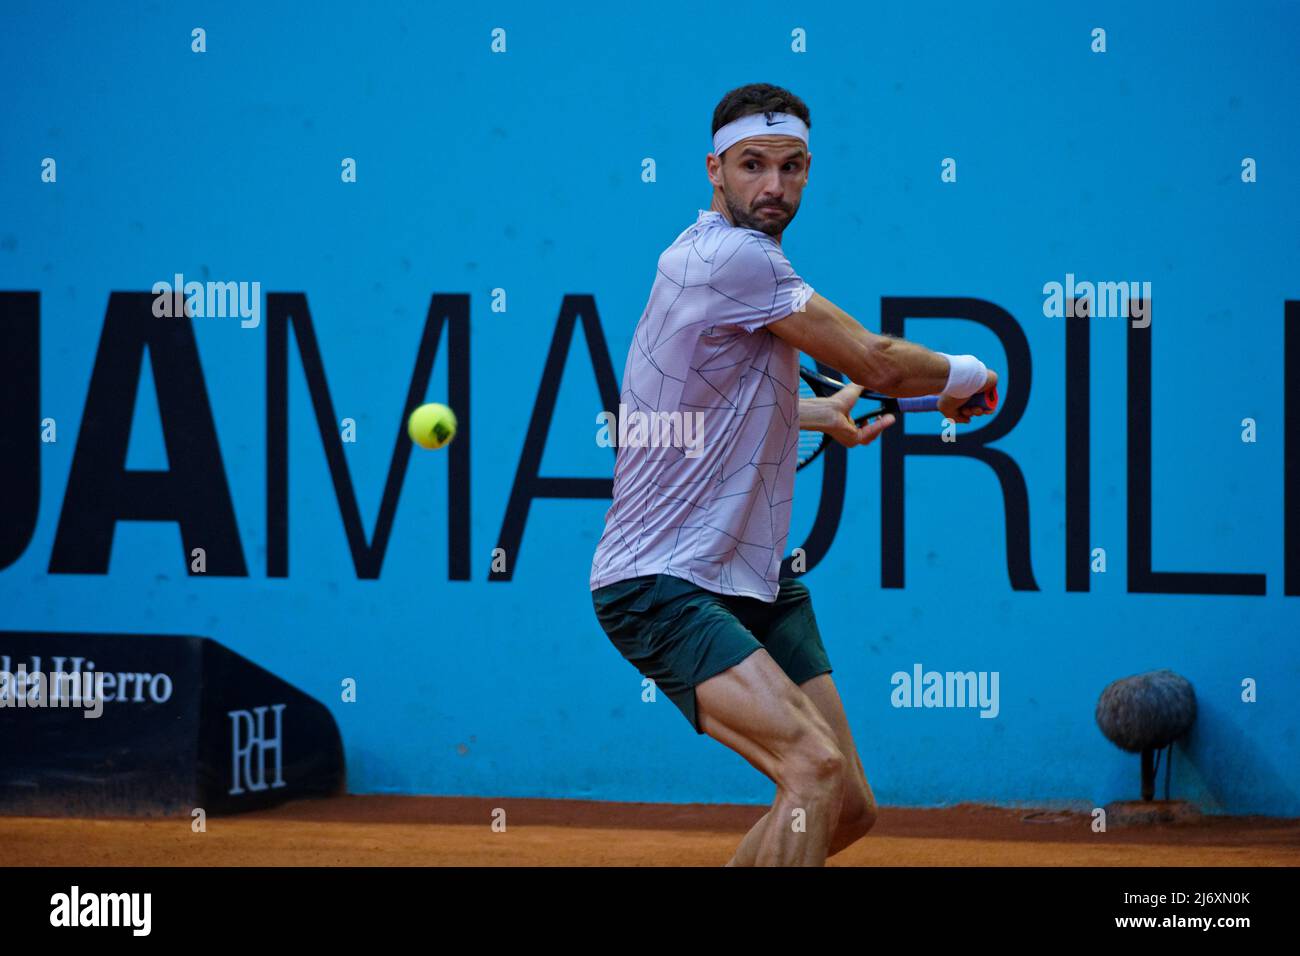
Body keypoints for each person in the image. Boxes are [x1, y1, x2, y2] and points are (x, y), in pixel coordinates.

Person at [589, 82, 998, 866]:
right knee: (811, 770)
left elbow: (688, 410)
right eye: (752, 166)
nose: (773, 186)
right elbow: (874, 359)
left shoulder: (706, 261)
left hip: (754, 579)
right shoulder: (730, 258)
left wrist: (812, 415)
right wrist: (964, 374)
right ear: (714, 170)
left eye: (791, 167)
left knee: (844, 807)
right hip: (659, 581)